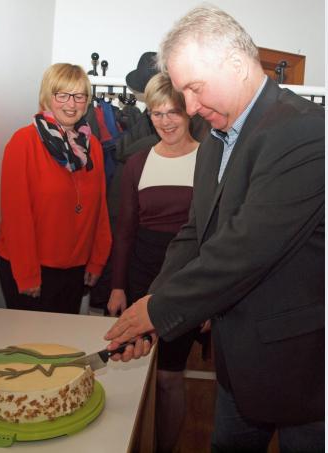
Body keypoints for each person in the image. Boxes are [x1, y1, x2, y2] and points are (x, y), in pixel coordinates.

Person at [103, 6, 325, 453]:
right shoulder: (214, 144)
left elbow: (245, 249)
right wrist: (151, 313)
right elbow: (195, 236)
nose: (188, 107)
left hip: (297, 368)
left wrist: (158, 310)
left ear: (237, 65)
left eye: (193, 88)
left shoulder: (305, 130)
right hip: (236, 361)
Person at [106, 73, 209, 453]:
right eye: (156, 113)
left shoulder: (209, 160)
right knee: (133, 370)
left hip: (185, 283)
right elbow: (126, 230)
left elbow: (213, 236)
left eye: (173, 113)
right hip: (140, 277)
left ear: (188, 114)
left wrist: (208, 299)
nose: (165, 122)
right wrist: (117, 286)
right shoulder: (136, 163)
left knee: (168, 376)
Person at [0, 63, 111, 314]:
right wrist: (27, 274)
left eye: (79, 96)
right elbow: (16, 215)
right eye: (62, 95)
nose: (72, 104)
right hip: (31, 266)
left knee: (61, 346)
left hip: (75, 268)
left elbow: (100, 209)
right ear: (47, 97)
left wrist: (97, 259)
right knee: (29, 346)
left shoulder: (93, 147)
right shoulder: (23, 142)